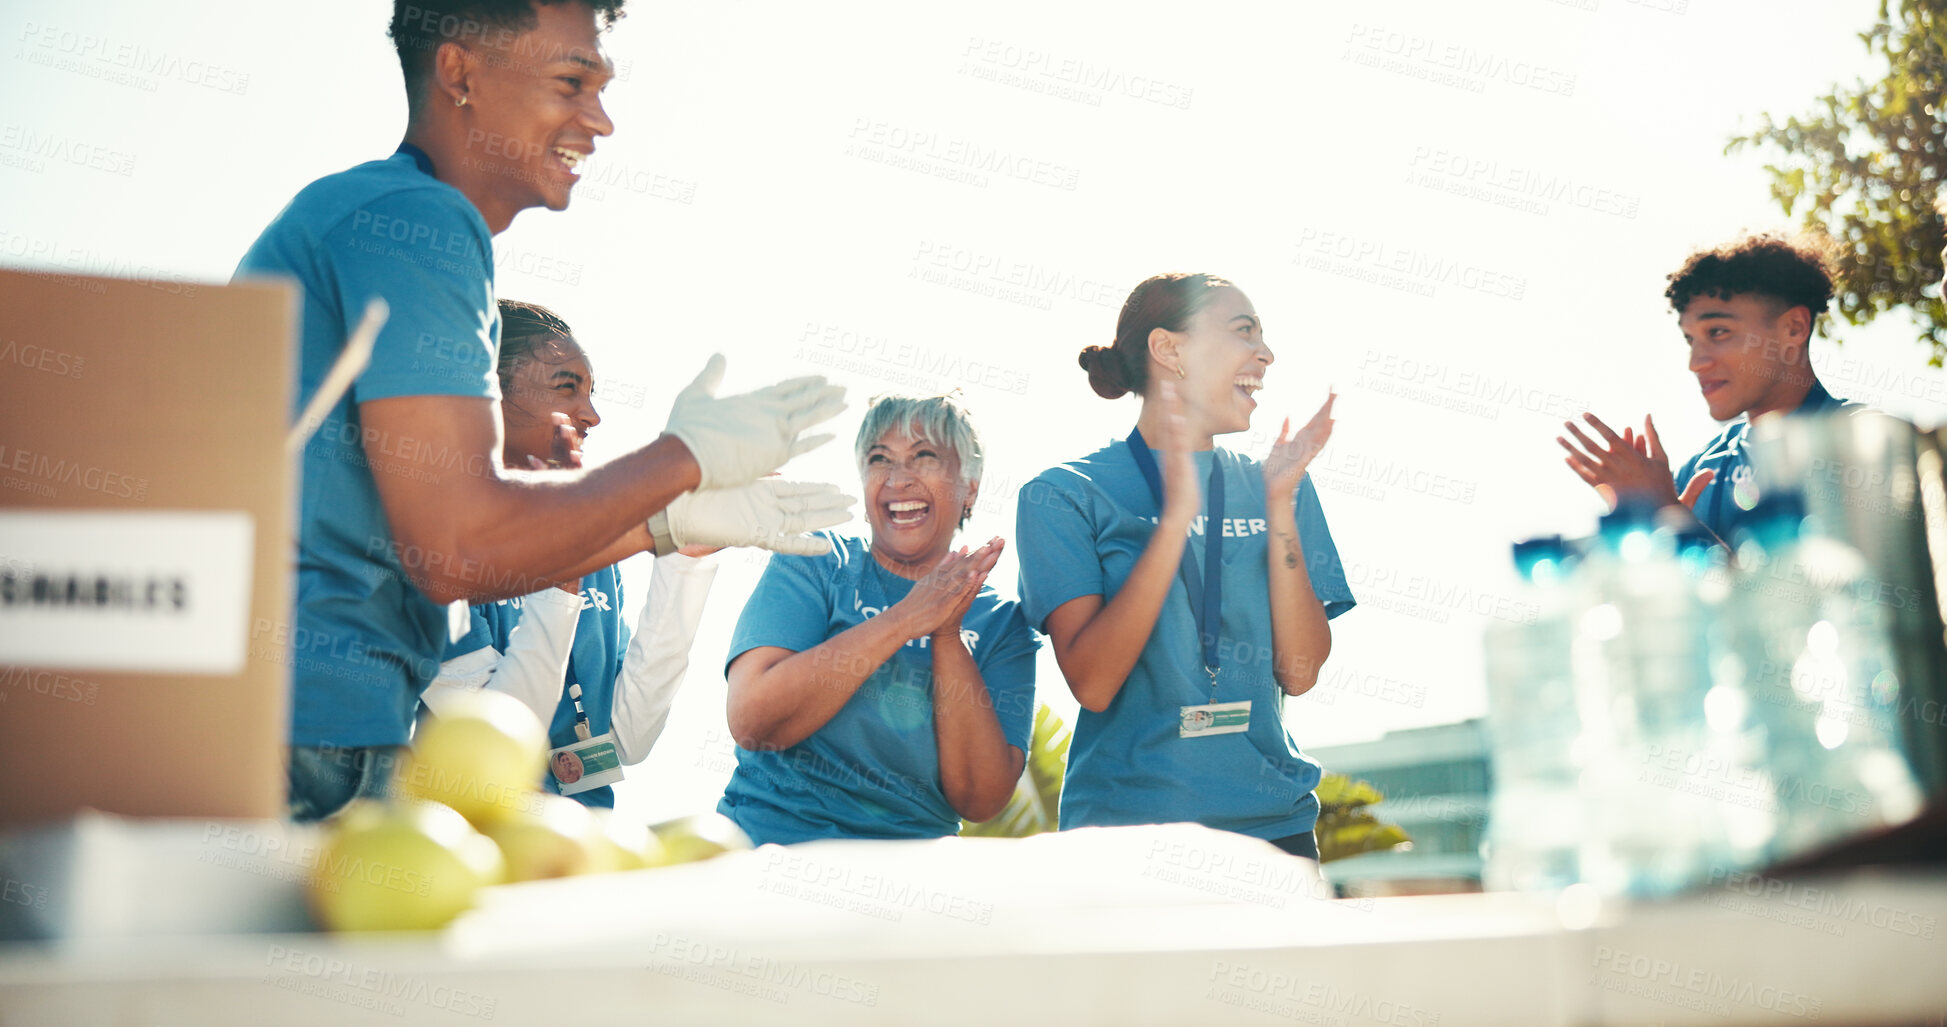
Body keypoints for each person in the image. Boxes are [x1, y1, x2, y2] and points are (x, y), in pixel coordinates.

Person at [234, 0, 849, 821]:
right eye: (570, 82)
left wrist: (668, 528)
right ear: (460, 74)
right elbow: (457, 547)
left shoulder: (387, 217)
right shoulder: (419, 219)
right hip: (312, 737)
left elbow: (452, 546)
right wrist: (681, 461)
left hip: (325, 729)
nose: (599, 120)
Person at [1015, 272, 1355, 859]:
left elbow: (1299, 672)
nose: (1266, 354)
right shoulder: (1064, 493)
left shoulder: (1280, 487)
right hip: (1124, 839)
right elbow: (1093, 685)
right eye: (1243, 331)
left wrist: (1277, 504)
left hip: (1275, 831)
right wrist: (1174, 523)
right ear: (1168, 349)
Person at [420, 300, 719, 808]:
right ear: (488, 394)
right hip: (466, 840)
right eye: (567, 387)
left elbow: (628, 739)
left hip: (576, 849)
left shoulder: (595, 548)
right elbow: (500, 741)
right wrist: (560, 579)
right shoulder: (428, 542)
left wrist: (687, 557)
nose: (594, 415)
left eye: (592, 392)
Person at [718, 394, 1039, 844]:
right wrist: (907, 618)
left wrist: (946, 633)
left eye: (924, 456)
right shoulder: (816, 559)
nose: (898, 479)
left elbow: (981, 800)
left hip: (909, 880)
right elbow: (753, 719)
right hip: (768, 844)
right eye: (879, 459)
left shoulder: (1003, 622)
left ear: (970, 486)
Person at [1556, 234, 1849, 544]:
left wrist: (1668, 514)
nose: (1695, 363)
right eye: (1690, 339)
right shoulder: (1695, 473)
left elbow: (1839, 588)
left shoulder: (1866, 447)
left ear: (1794, 328)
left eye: (1718, 332)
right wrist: (1644, 525)